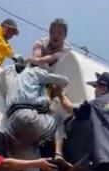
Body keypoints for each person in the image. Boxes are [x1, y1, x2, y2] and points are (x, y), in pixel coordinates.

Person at [0, 63, 69, 171]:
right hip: (28, 118)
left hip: (12, 130)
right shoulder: (35, 72)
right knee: (57, 119)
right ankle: (58, 155)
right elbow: (64, 80)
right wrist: (52, 83)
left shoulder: (13, 81)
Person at [30, 18, 71, 163]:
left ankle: (58, 154)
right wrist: (41, 64)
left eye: (60, 33)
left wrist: (42, 63)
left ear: (64, 36)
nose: (56, 35)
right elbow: (35, 58)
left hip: (50, 85)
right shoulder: (40, 42)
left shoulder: (66, 50)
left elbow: (51, 57)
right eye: (53, 32)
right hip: (35, 80)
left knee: (55, 117)